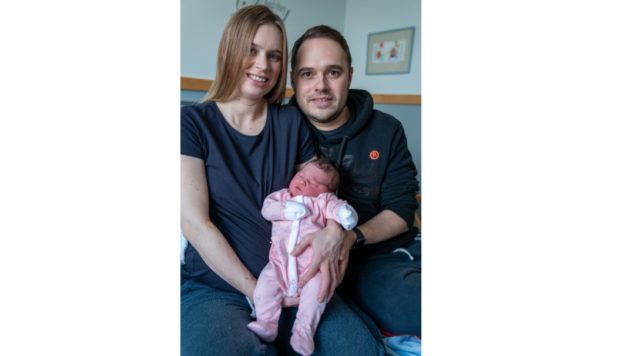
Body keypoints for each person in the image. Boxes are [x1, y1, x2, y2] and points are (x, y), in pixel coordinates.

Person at [181, 6, 385, 356]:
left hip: (300, 280)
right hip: (219, 287)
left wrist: (336, 231)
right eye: (252, 50)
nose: (263, 65)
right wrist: (258, 289)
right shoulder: (192, 122)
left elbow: (322, 191)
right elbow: (194, 224)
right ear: (228, 50)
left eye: (274, 56)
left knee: (360, 350)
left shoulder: (290, 121)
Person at [288, 25, 422, 337]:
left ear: (349, 74)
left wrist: (350, 238)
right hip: (301, 259)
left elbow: (401, 210)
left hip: (375, 256)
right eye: (308, 73)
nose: (320, 85)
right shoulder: (281, 129)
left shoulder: (387, 130)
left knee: (413, 307)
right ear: (294, 79)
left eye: (332, 72)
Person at [248, 158, 358, 355]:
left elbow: (337, 207)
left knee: (319, 292)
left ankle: (304, 331)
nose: (304, 182)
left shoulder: (323, 202)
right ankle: (266, 323)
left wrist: (345, 214)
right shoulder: (282, 196)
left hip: (312, 267)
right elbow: (267, 209)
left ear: (327, 192)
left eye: (314, 183)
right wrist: (285, 210)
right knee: (264, 286)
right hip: (279, 263)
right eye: (301, 176)